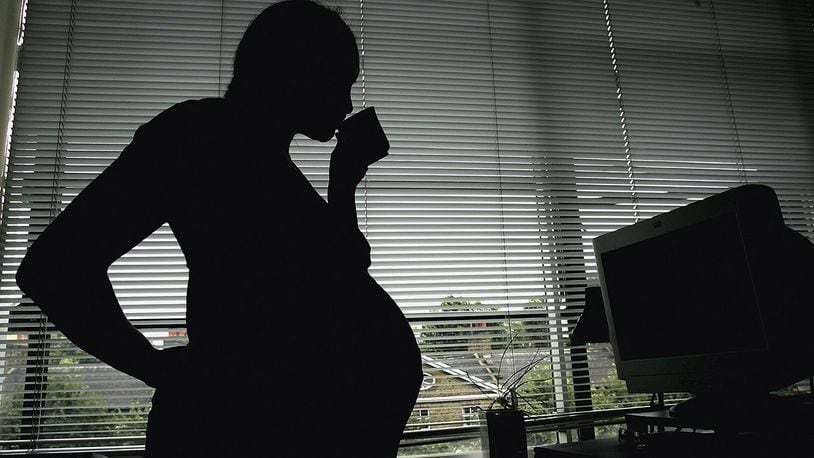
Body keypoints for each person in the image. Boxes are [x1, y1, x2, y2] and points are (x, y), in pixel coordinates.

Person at [15, 1, 423, 456]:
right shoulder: (199, 135)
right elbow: (53, 267)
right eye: (340, 81)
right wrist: (155, 367)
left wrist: (343, 180)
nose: (347, 103)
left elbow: (342, 273)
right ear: (295, 69)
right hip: (239, 432)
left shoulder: (271, 161)